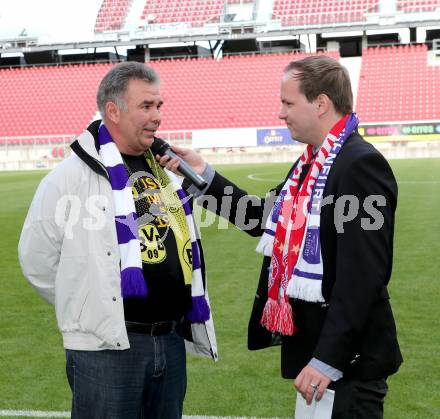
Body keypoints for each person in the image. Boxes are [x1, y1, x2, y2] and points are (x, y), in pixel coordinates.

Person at [158, 55, 402, 419]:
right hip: (322, 361)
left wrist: (327, 359)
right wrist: (203, 175)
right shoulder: (312, 163)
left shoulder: (358, 165)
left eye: (288, 103)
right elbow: (261, 217)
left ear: (320, 103)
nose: (281, 113)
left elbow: (362, 278)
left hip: (345, 364)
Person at [18, 61, 217, 419]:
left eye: (159, 106)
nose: (157, 116)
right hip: (107, 348)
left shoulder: (166, 172)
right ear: (113, 110)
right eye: (146, 106)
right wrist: (88, 307)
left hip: (169, 341)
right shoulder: (69, 178)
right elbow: (37, 260)